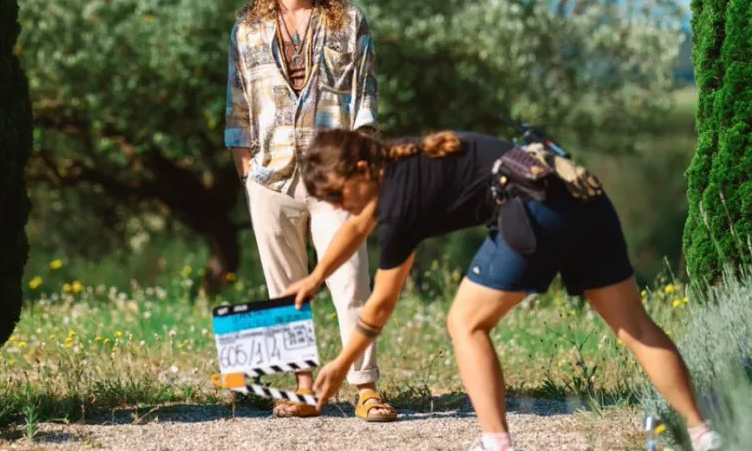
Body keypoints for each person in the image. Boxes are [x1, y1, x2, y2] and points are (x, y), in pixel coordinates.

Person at [282, 128, 723, 451]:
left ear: (361, 170)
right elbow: (360, 224)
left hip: (534, 208)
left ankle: (497, 443)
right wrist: (317, 275)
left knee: (464, 323)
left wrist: (341, 365)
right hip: (580, 196)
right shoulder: (397, 157)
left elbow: (380, 304)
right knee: (635, 327)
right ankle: (704, 434)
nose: (340, 208)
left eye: (339, 195)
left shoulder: (399, 205)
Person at [223, 0, 396, 421]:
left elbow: (365, 98)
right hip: (270, 174)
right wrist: (246, 168)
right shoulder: (247, 30)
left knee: (350, 283)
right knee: (283, 287)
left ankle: (365, 387)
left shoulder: (349, 21)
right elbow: (237, 105)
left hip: (335, 178)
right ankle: (304, 391)